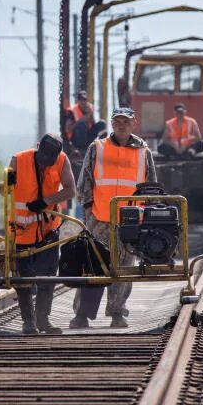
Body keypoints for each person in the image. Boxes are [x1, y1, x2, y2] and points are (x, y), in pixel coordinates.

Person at [69, 107, 157, 329]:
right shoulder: (97, 147)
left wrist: (145, 214)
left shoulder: (144, 152)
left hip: (129, 221)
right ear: (111, 123)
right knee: (91, 265)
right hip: (99, 218)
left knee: (124, 266)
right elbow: (84, 183)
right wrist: (89, 209)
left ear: (133, 123)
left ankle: (117, 313)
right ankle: (81, 314)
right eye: (117, 121)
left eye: (125, 121)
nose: (121, 125)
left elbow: (151, 187)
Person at [7, 133, 76, 335]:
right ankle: (28, 322)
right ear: (38, 147)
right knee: (23, 280)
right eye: (43, 159)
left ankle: (43, 320)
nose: (45, 164)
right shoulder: (18, 160)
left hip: (48, 232)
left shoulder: (62, 160)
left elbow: (71, 190)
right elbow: (5, 190)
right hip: (21, 231)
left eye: (49, 161)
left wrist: (46, 201)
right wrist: (7, 185)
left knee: (47, 277)